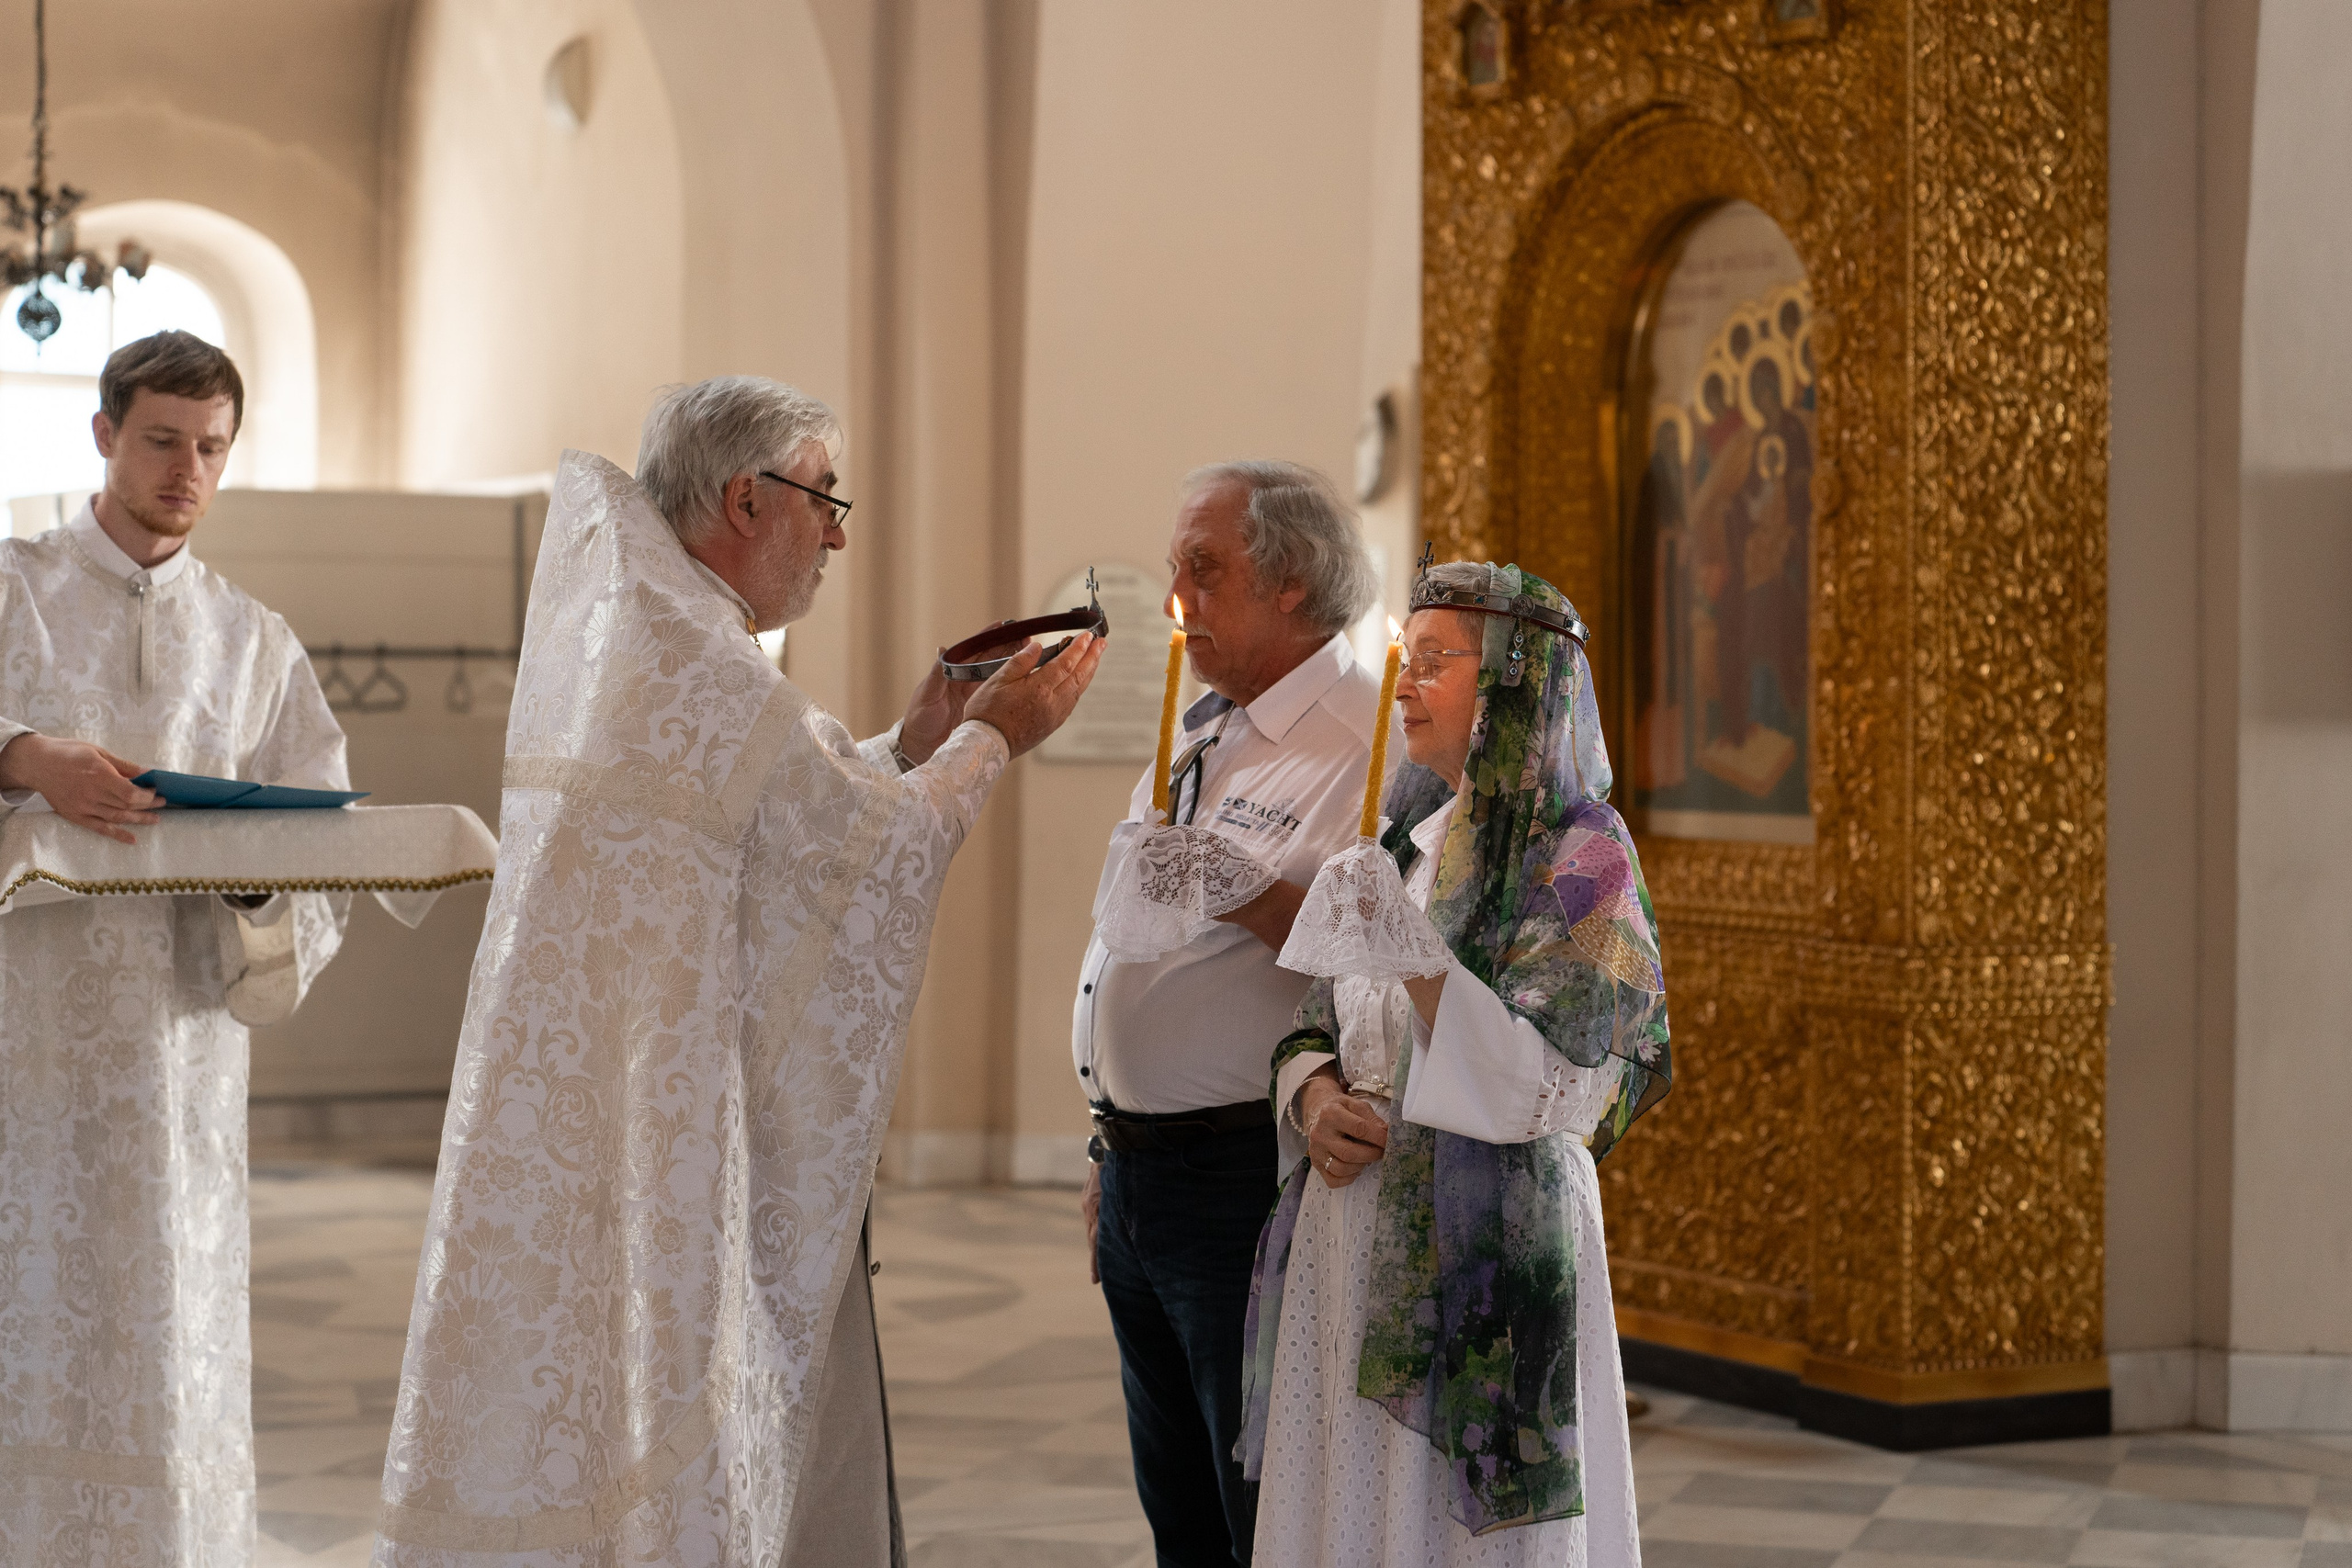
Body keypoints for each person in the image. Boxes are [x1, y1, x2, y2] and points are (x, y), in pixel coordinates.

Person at [372, 377, 1100, 1567]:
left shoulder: (646, 633)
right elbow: (868, 854)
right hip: (666, 1125)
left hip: (588, 1110)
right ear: (746, 499)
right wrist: (990, 737)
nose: (837, 536)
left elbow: (782, 835)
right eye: (825, 499)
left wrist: (912, 744)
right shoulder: (703, 660)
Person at [1238, 561, 1673, 1566]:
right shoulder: (1404, 842)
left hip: (1491, 1249)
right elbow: (1314, 1025)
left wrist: (1415, 958)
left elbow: (1556, 1083)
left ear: (1516, 680)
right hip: (1352, 1238)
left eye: (1435, 660)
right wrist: (1314, 1101)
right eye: (1406, 656)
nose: (1405, 682)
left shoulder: (1584, 855)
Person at [0, 332, 352, 1562]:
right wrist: (21, 755)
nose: (185, 470)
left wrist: (260, 886)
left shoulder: (256, 642)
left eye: (210, 447)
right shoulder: (12, 588)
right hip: (22, 1051)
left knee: (165, 1323)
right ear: (104, 434)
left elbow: (321, 839)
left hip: (176, 1065)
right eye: (160, 439)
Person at [1074, 461, 1394, 1566]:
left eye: (1203, 571)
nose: (1177, 598)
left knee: (1260, 1503)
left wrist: (1248, 893)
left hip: (1245, 1174)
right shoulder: (1204, 724)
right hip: (1141, 1171)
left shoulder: (1371, 741)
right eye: (1176, 569)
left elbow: (1383, 963)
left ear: (1292, 581)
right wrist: (1108, 1135)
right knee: (1180, 1512)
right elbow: (1130, 939)